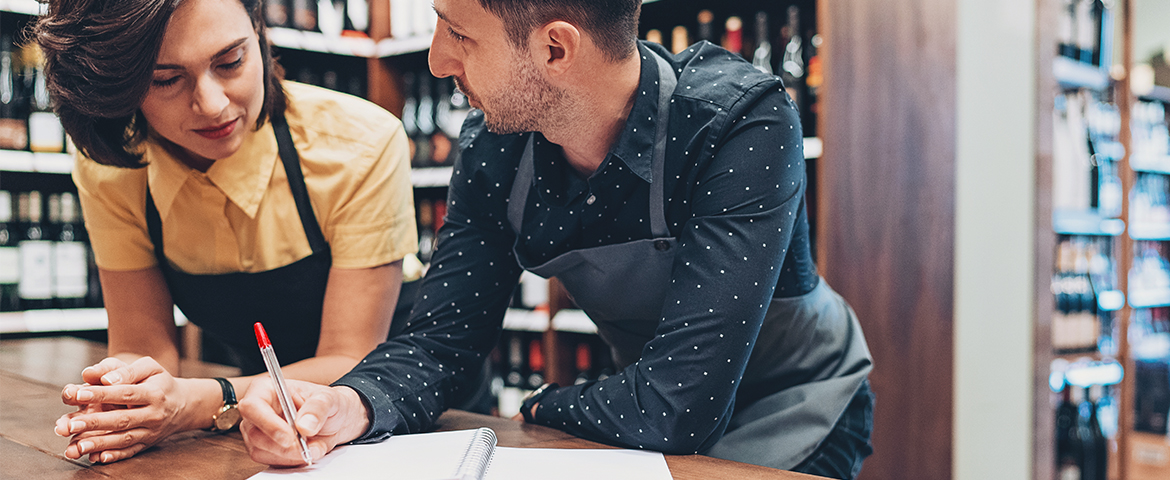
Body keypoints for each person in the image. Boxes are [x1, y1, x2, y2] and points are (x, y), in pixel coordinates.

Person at [239, 0, 874, 478]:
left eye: (458, 32)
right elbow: (440, 344)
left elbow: (676, 406)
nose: (437, 60)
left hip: (798, 407)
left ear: (555, 49)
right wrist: (346, 405)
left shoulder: (738, 123)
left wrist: (545, 403)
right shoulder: (495, 151)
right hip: (658, 414)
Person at [34, 0, 416, 464]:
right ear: (121, 86)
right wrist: (125, 397)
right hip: (264, 431)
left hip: (396, 417)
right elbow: (143, 341)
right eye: (166, 79)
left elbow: (348, 358)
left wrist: (197, 403)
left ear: (258, 32)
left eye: (230, 61)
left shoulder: (361, 145)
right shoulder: (113, 170)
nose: (212, 104)